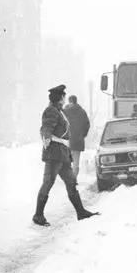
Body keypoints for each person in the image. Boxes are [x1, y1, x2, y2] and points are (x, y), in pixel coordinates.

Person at [32, 84, 99, 226]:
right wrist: (52, 139)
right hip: (54, 154)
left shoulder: (59, 111)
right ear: (60, 98)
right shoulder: (51, 111)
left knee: (71, 182)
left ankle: (81, 212)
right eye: (63, 96)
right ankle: (38, 216)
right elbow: (46, 129)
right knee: (48, 183)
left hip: (63, 155)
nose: (64, 98)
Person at [63, 94, 91, 178]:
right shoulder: (82, 111)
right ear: (76, 101)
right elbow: (87, 124)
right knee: (76, 160)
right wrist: (83, 135)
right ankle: (74, 177)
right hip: (78, 140)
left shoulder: (65, 111)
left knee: (66, 159)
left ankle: (67, 177)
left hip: (66, 140)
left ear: (69, 101)